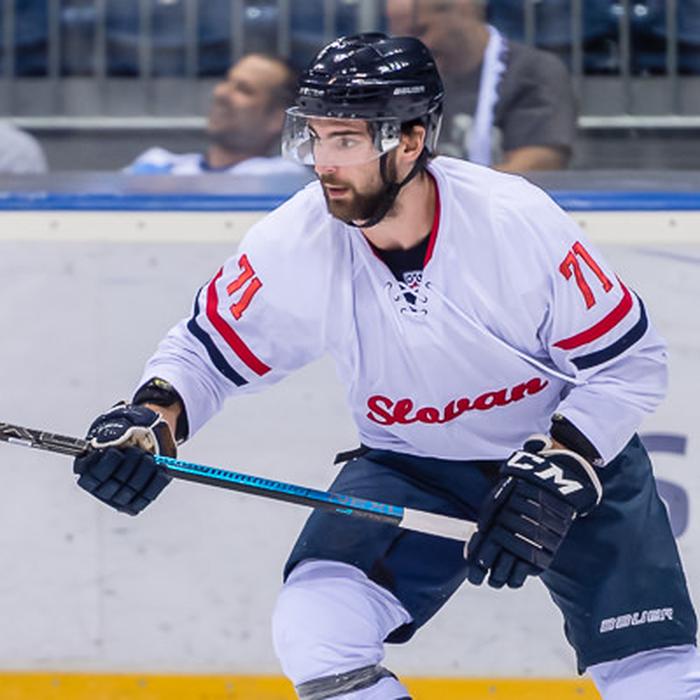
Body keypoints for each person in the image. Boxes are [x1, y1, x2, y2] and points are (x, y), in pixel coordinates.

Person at [74, 33, 699, 700]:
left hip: (566, 459)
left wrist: (565, 461)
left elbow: (631, 362)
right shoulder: (295, 240)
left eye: (345, 140)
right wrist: (151, 420)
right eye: (314, 137)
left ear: (410, 141)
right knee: (318, 627)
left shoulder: (513, 222)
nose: (324, 163)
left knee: (656, 676)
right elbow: (206, 352)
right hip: (413, 464)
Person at [386, 0, 577, 171]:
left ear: (463, 11)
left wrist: (449, 190)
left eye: (420, 31)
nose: (411, 51)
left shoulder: (533, 72)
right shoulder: (399, 80)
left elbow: (540, 164)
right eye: (400, 39)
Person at [125, 53, 308, 177]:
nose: (221, 93)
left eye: (244, 90)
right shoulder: (157, 165)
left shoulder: (284, 179)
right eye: (226, 81)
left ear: (277, 118)